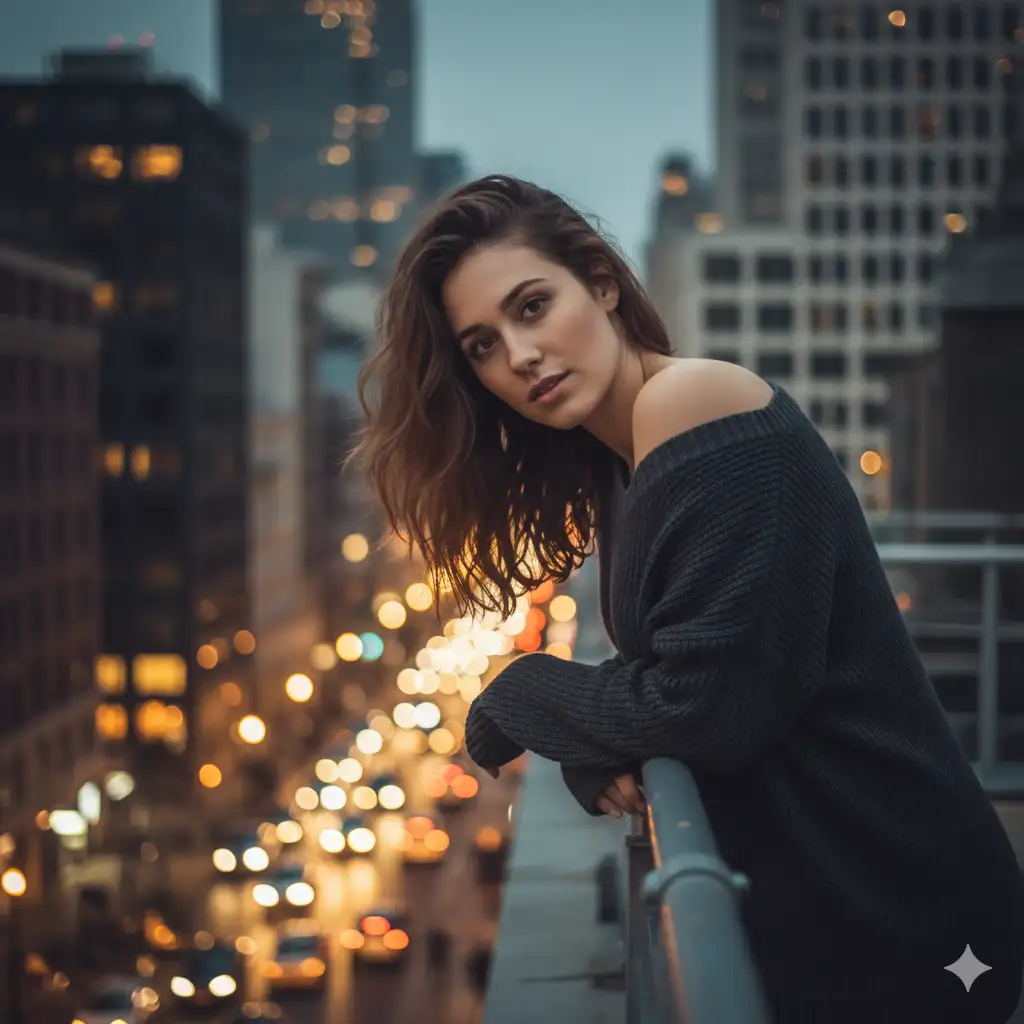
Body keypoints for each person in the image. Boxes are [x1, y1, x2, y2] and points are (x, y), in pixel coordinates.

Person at [352, 174, 1024, 1022]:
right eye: (482, 346)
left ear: (601, 283)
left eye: (532, 306)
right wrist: (594, 747)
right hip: (824, 898)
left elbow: (712, 709)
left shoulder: (693, 402)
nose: (519, 355)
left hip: (902, 900)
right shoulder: (621, 461)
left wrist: (526, 693)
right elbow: (682, 671)